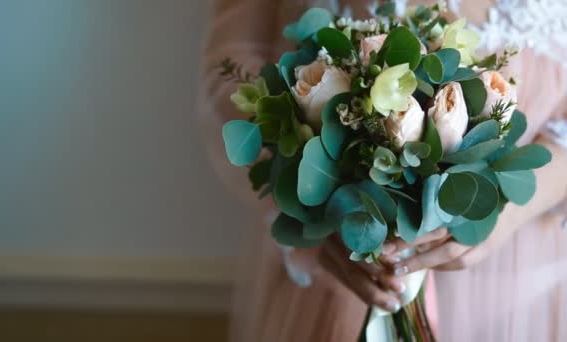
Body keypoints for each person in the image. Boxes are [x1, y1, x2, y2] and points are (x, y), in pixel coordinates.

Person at [198, 0, 567, 341]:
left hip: (522, 270)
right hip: (349, 258)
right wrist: (314, 207)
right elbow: (231, 65)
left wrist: (503, 212)